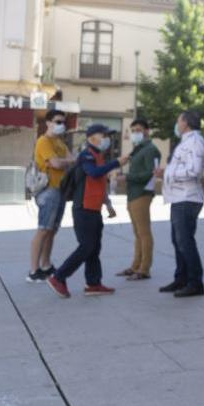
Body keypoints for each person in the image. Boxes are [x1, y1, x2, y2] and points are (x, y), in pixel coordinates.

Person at [46, 124, 128, 298]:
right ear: (91, 138)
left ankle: (93, 283)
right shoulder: (86, 156)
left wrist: (108, 204)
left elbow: (99, 183)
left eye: (108, 135)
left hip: (94, 209)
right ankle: (58, 277)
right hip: (83, 209)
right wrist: (116, 163)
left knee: (94, 247)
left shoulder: (98, 156)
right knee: (86, 246)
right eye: (103, 135)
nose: (107, 138)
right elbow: (94, 173)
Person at [156, 110, 204, 298]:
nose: (176, 124)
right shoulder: (186, 142)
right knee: (178, 241)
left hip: (187, 198)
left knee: (185, 242)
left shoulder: (195, 143)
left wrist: (167, 174)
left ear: (185, 122)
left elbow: (193, 170)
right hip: (179, 198)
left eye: (178, 120)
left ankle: (195, 283)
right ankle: (181, 278)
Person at [28, 110, 73, 283]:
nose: (61, 124)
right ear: (48, 123)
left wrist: (61, 162)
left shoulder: (60, 142)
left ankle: (46, 265)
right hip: (48, 190)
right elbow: (56, 163)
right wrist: (61, 162)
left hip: (60, 190)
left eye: (63, 122)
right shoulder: (43, 141)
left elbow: (70, 159)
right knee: (43, 229)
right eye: (57, 121)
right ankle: (33, 270)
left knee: (52, 231)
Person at [117, 118, 160, 281]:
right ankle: (135, 266)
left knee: (144, 232)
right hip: (133, 194)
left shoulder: (150, 150)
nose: (135, 133)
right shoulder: (138, 149)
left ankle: (144, 269)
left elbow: (151, 173)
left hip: (142, 194)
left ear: (147, 131)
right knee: (138, 233)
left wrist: (127, 177)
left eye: (138, 130)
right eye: (133, 130)